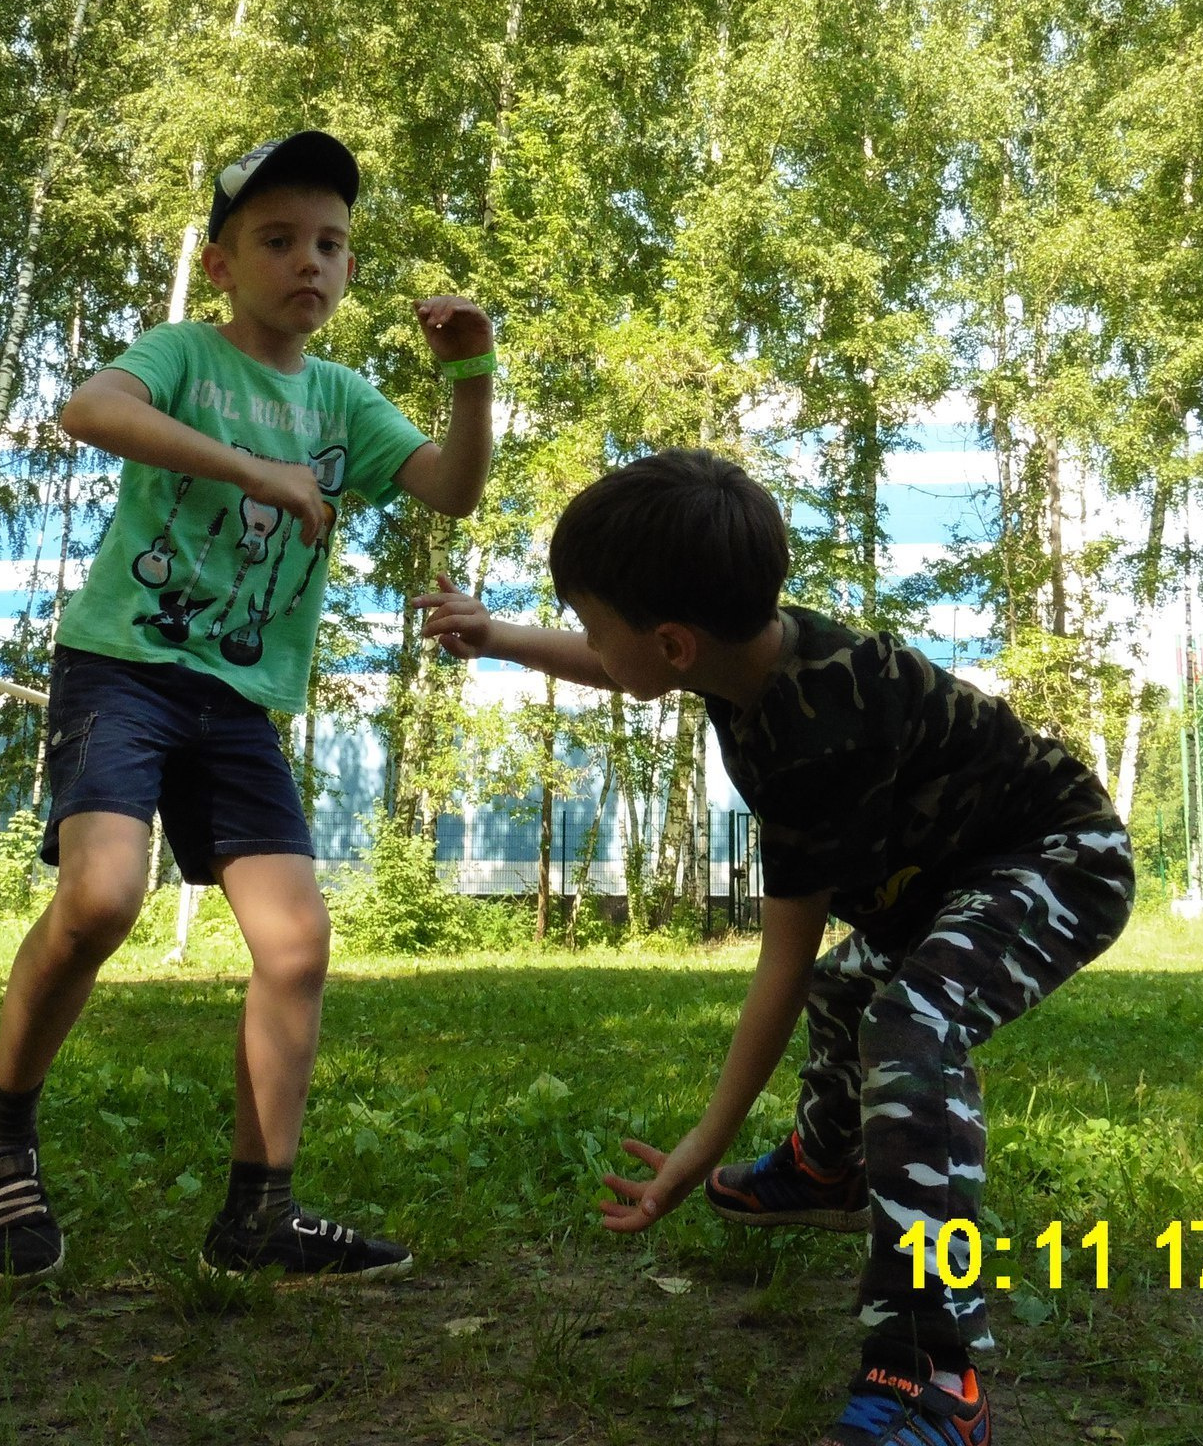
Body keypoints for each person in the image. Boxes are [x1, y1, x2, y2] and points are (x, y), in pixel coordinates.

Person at [416, 449, 1132, 1446]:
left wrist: (697, 1150)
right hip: (948, 878)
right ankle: (828, 1168)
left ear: (674, 641)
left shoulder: (815, 734)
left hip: (1058, 860)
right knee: (855, 991)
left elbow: (779, 969)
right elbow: (623, 665)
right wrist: (499, 637)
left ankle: (931, 1373)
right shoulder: (736, 658)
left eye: (589, 622)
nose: (587, 642)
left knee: (907, 1026)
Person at [0, 129, 496, 1284]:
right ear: (219, 264)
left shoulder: (345, 401)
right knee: (101, 897)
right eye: (277, 241)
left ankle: (258, 1216)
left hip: (241, 698)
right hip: (123, 669)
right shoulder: (185, 359)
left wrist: (472, 375)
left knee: (296, 944)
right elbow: (87, 411)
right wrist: (252, 471)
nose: (309, 262)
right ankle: (2, 1129)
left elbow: (451, 490)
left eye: (331, 245)